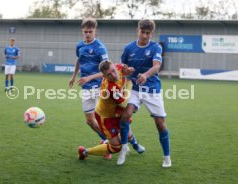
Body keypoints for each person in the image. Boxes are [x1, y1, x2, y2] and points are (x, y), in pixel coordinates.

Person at [117, 19, 171, 167]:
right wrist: (126, 70)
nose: (145, 36)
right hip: (135, 89)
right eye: (143, 32)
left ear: (151, 33)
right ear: (138, 30)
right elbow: (122, 67)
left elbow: (157, 66)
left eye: (148, 33)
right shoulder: (129, 48)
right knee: (125, 116)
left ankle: (166, 156)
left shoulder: (155, 47)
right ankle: (124, 149)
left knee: (160, 124)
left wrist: (145, 75)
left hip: (152, 90)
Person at [78, 60, 145, 161]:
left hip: (116, 111)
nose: (113, 75)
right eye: (109, 75)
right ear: (104, 76)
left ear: (115, 66)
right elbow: (125, 104)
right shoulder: (111, 89)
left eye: (113, 70)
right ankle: (84, 152)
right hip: (106, 117)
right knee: (116, 147)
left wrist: (128, 70)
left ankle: (135, 145)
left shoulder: (119, 67)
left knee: (127, 132)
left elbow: (125, 69)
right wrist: (130, 84)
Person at [69, 18, 110, 158]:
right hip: (86, 87)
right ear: (82, 31)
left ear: (95, 31)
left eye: (90, 31)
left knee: (103, 118)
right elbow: (79, 60)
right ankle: (107, 140)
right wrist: (74, 76)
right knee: (89, 120)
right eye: (85, 31)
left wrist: (89, 77)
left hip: (100, 86)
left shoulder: (100, 47)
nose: (87, 34)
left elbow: (106, 70)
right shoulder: (79, 46)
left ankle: (111, 145)